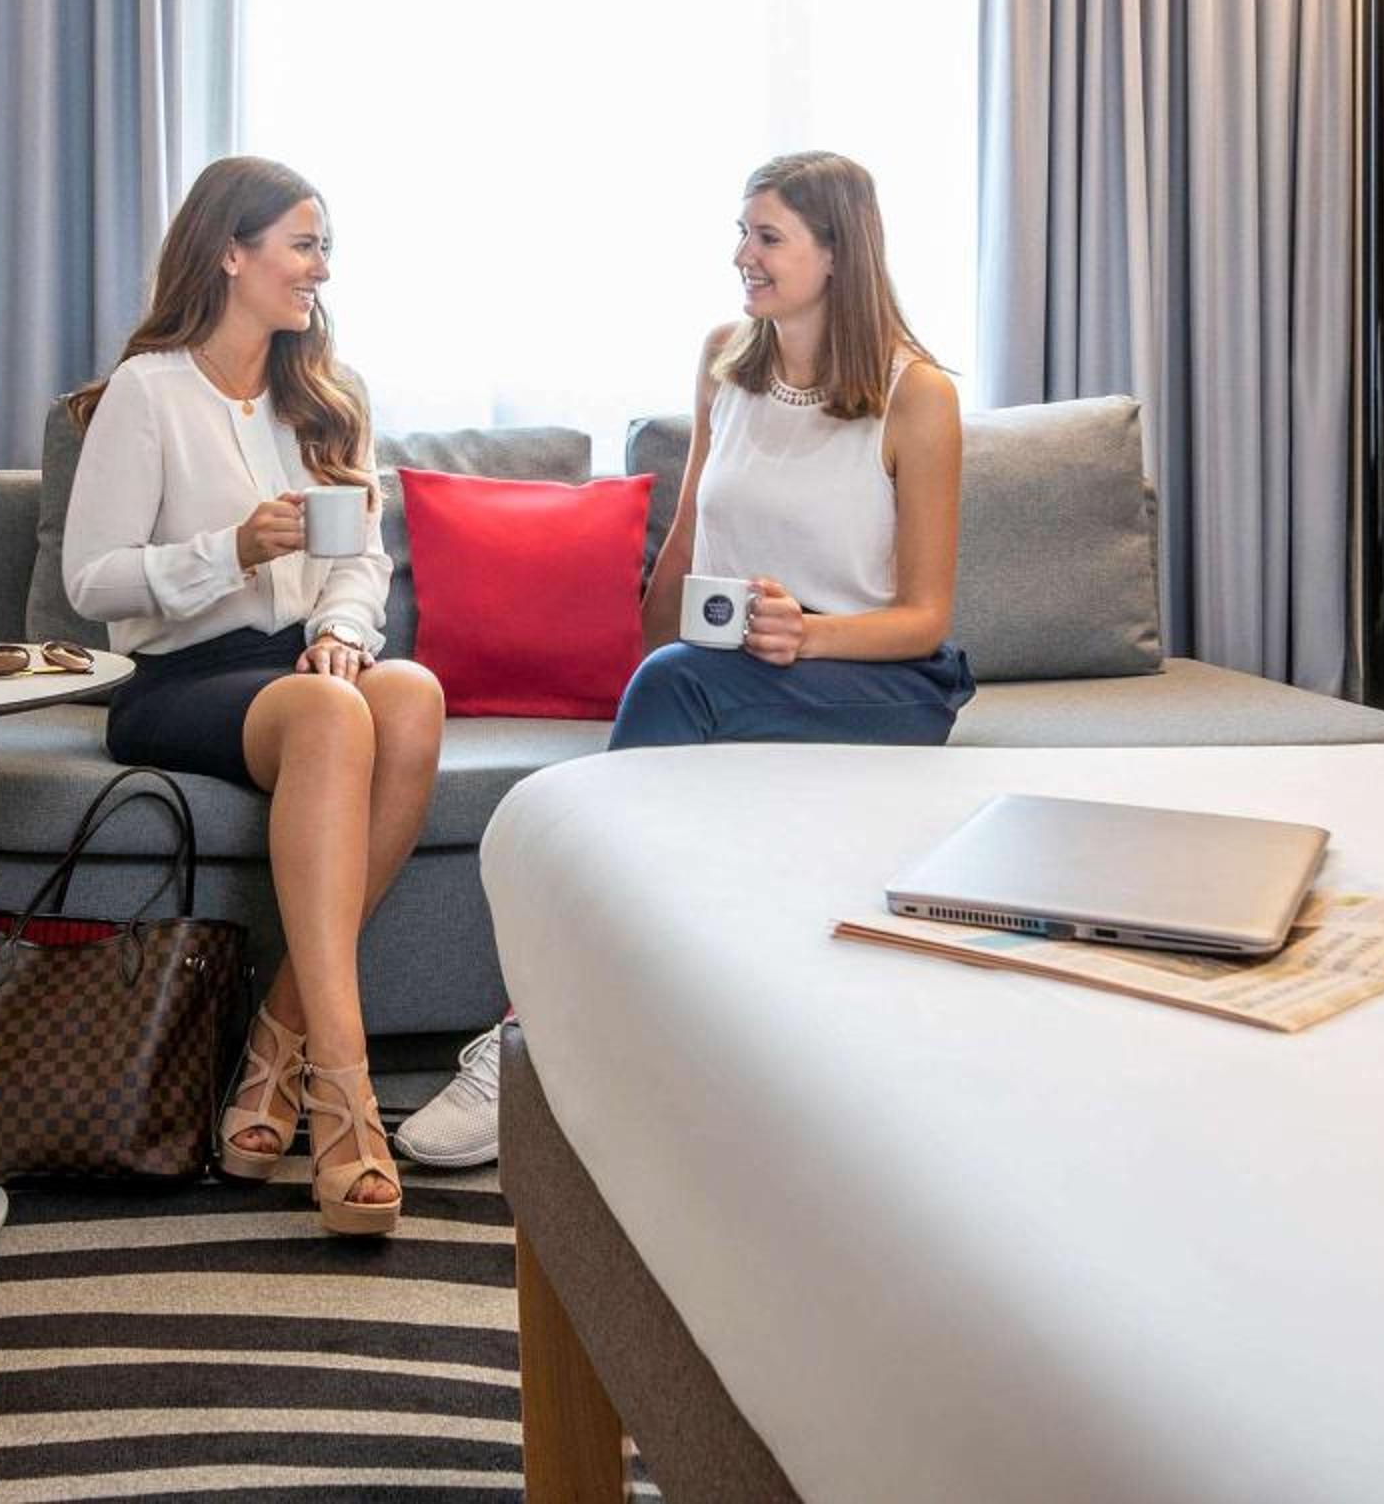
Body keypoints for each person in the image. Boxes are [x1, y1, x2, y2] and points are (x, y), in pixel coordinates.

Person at [395, 149, 971, 1169]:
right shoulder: (725, 360)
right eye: (742, 231)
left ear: (838, 252)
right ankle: (615, 1045)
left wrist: (810, 635)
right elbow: (689, 534)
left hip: (875, 678)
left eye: (767, 236)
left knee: (671, 704)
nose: (742, 254)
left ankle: (533, 1039)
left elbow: (924, 617)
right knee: (664, 704)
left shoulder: (915, 395)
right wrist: (637, 669)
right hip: (737, 671)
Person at [64, 156, 445, 1235]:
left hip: (300, 662)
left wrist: (340, 633)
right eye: (303, 245)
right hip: (179, 676)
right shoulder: (149, 393)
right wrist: (229, 549)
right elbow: (91, 583)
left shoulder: (326, 395)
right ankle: (345, 1096)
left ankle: (276, 1047)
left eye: (324, 249)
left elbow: (361, 559)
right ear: (230, 253)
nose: (320, 269)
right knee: (332, 711)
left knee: (409, 694)